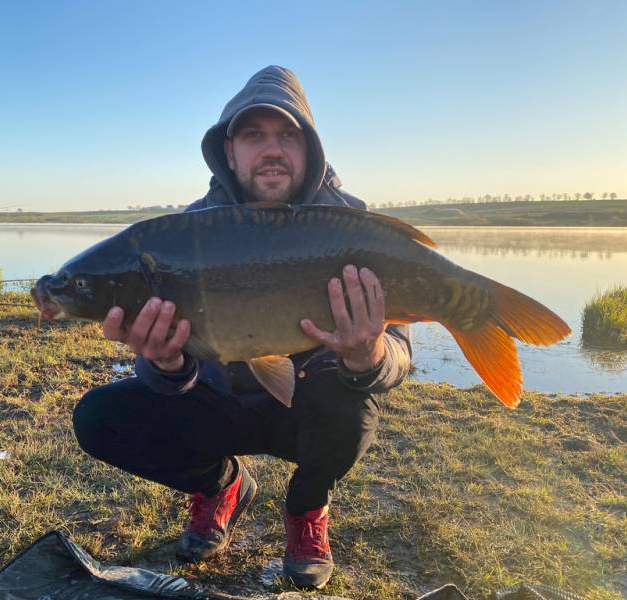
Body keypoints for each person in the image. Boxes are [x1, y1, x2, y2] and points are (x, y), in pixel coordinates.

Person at [72, 65, 411, 589]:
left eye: (287, 135)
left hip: (309, 412)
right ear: (229, 152)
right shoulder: (189, 232)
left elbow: (398, 356)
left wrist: (367, 357)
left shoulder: (353, 229)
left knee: (353, 397)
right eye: (254, 135)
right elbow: (167, 377)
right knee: (99, 417)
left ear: (310, 149)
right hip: (220, 402)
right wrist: (166, 364)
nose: (271, 149)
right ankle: (222, 485)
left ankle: (307, 507)